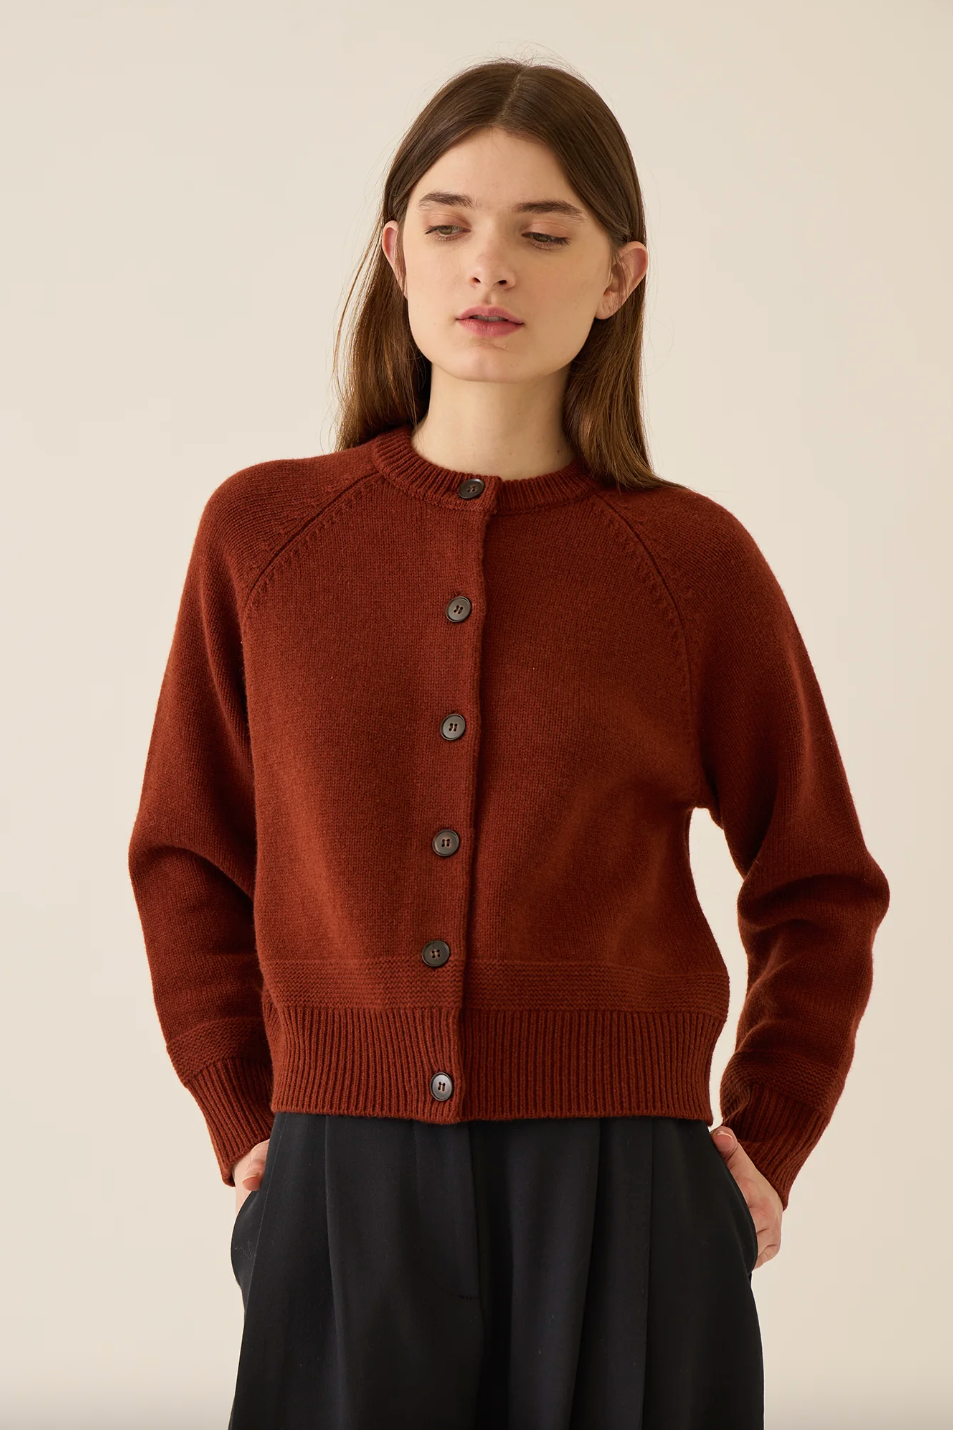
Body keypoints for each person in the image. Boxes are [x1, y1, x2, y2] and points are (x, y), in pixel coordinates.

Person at [127, 58, 891, 1430]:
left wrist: (766, 1138)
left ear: (617, 278)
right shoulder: (264, 536)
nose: (490, 265)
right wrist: (246, 1115)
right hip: (339, 1180)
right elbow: (187, 852)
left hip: (627, 1192)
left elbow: (818, 879)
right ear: (394, 256)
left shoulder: (690, 563)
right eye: (449, 224)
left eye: (544, 232)